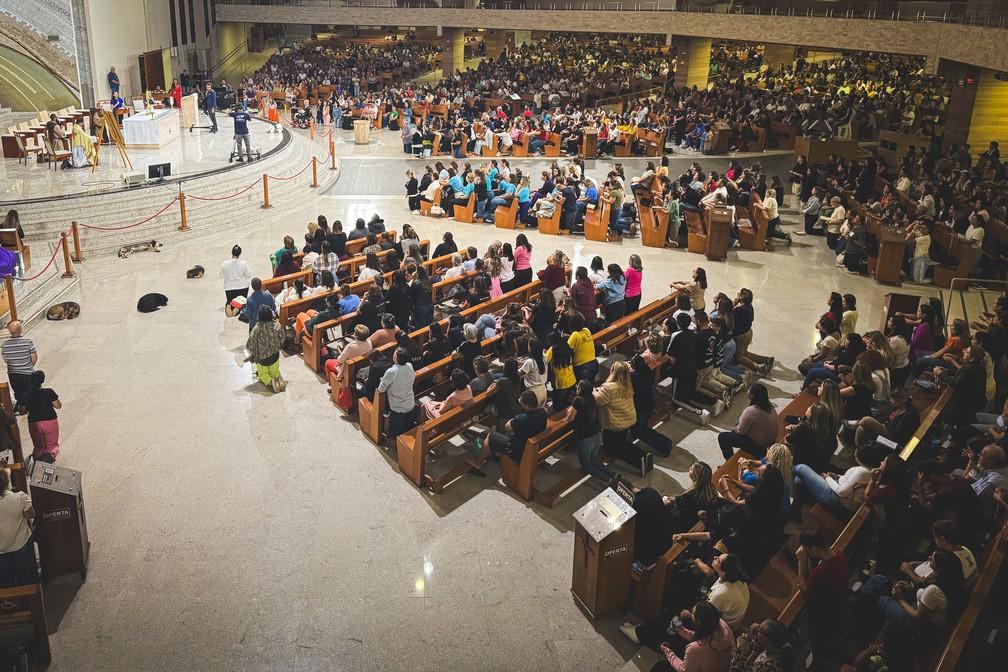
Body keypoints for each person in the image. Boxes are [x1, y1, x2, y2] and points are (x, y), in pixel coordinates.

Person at [467, 390, 546, 477]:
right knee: (503, 436)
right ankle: (496, 453)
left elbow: (507, 426)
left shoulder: (522, 419)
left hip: (517, 450)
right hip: (534, 446)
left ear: (526, 405)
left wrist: (514, 419)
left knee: (491, 436)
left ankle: (478, 462)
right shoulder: (542, 413)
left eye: (521, 403)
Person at [797, 529, 850, 658]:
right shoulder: (840, 554)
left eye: (807, 551)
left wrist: (802, 562)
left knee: (821, 655)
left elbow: (804, 591)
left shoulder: (820, 573)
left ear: (814, 549)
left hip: (825, 622)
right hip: (841, 609)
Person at [565, 380, 616, 484]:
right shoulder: (592, 398)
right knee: (594, 461)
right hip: (596, 434)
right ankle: (614, 475)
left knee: (587, 466)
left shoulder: (578, 400)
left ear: (580, 389)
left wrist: (569, 412)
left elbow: (569, 418)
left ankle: (609, 480)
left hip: (585, 438)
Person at [718, 384, 778, 460]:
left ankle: (729, 460)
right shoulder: (772, 408)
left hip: (759, 446)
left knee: (723, 437)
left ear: (752, 395)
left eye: (749, 390)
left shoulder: (750, 411)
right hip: (769, 442)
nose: (747, 391)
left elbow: (741, 431)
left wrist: (735, 428)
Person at [0, 468, 35, 588]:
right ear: (7, 483)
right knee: (25, 578)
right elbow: (30, 515)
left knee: (6, 582)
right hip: (21, 544)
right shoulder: (20, 497)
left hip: (1, 551)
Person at [245, 306, 286, 392]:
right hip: (275, 356)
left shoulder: (256, 329)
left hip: (262, 359)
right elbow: (282, 337)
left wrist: (251, 356)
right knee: (274, 371)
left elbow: (250, 345)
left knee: (263, 374)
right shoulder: (277, 325)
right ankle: (279, 379)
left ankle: (271, 381)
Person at [21, 371, 60, 462]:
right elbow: (58, 406)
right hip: (50, 421)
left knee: (38, 445)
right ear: (42, 381)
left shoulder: (25, 395)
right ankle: (50, 454)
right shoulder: (49, 392)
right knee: (52, 443)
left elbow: (22, 411)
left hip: (34, 423)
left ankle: (38, 454)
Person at [379, 347, 417, 439]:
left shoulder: (392, 371)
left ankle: (394, 441)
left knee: (395, 432)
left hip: (397, 407)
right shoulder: (409, 365)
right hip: (410, 403)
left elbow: (381, 389)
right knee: (407, 427)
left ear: (395, 358)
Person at [2, 320, 36, 405]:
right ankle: (31, 407)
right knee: (30, 392)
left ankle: (21, 407)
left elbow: (5, 359)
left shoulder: (5, 344)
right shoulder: (28, 342)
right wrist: (29, 366)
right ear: (20, 330)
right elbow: (34, 357)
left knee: (18, 393)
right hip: (27, 373)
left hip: (13, 374)